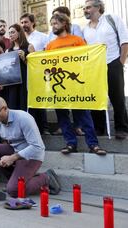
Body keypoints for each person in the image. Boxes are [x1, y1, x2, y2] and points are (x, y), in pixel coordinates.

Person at [0, 96, 61, 197]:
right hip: (15, 152)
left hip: (31, 156)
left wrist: (13, 157)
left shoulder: (23, 118)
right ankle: (14, 181)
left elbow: (37, 146)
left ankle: (46, 177)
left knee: (14, 191)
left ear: (5, 108)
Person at [46, 13, 107, 155]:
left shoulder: (77, 40)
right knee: (62, 116)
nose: (53, 27)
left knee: (83, 115)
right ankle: (70, 144)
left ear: (64, 24)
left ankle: (93, 144)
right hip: (59, 86)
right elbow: (47, 66)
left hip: (76, 85)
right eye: (52, 24)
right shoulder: (50, 45)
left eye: (55, 23)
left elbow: (86, 60)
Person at [83, 0, 128, 139]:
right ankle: (99, 128)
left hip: (113, 62)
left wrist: (120, 62)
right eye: (84, 8)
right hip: (94, 68)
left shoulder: (112, 19)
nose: (85, 10)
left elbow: (125, 41)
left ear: (98, 8)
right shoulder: (85, 29)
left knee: (117, 97)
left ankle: (121, 128)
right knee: (96, 98)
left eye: (88, 7)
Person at [6, 24, 34, 111]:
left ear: (19, 33)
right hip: (13, 82)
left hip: (25, 81)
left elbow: (34, 67)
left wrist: (24, 58)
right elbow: (6, 68)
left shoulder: (29, 47)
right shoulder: (8, 50)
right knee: (13, 105)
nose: (10, 35)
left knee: (24, 104)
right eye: (9, 33)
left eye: (13, 32)